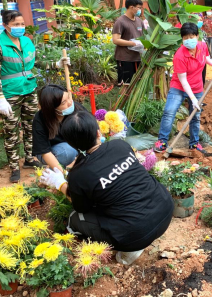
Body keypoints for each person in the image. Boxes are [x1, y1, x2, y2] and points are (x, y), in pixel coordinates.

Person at [39, 111, 174, 266]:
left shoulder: (79, 174)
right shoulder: (120, 145)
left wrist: (60, 184)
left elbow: (82, 207)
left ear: (71, 144)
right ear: (98, 132)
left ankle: (129, 251)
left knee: (75, 218)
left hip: (135, 235)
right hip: (165, 210)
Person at [0, 9, 69, 183]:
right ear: (5, 25)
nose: (20, 27)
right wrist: (0, 98)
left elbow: (36, 62)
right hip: (10, 94)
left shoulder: (26, 42)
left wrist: (57, 63)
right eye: (16, 24)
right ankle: (14, 167)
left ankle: (30, 159)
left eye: (22, 24)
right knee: (12, 131)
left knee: (32, 126)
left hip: (29, 90)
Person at [154, 23, 212, 153]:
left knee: (195, 115)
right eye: (185, 38)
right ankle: (162, 141)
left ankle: (194, 143)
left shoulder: (202, 46)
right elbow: (183, 80)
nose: (189, 40)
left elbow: (206, 58)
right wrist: (192, 99)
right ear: (182, 39)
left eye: (191, 36)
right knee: (169, 111)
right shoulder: (180, 56)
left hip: (197, 87)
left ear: (197, 36)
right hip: (179, 87)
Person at [32, 84, 87, 170]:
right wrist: (62, 176)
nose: (70, 103)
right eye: (64, 102)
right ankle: (54, 174)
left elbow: (91, 132)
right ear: (51, 108)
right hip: (50, 152)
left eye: (68, 97)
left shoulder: (77, 109)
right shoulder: (40, 119)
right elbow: (45, 152)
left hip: (75, 145)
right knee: (66, 151)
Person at [112, 0, 145, 86]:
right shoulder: (120, 21)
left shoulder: (139, 21)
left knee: (137, 85)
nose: (140, 10)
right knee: (126, 85)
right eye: (139, 8)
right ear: (131, 7)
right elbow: (115, 40)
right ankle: (123, 100)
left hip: (137, 58)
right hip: (125, 58)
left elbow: (143, 37)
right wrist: (132, 43)